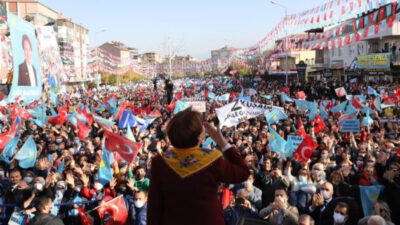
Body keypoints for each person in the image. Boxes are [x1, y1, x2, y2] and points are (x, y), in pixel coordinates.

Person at [147, 108, 250, 225]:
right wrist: (222, 142)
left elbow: (154, 206)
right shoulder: (212, 160)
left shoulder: (159, 162)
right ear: (199, 137)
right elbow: (243, 172)